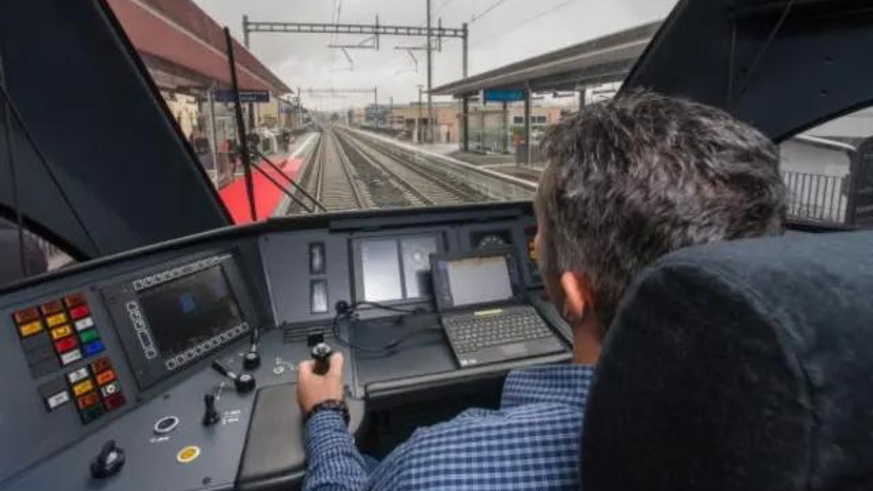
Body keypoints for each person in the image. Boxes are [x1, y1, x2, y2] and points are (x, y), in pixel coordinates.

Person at [296, 90, 788, 491]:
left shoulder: (435, 468)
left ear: (572, 296)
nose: (534, 242)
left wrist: (324, 414)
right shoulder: (810, 429)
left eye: (541, 232)